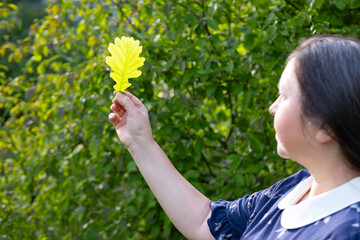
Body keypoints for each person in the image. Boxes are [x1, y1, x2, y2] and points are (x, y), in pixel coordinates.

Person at [108, 35, 360, 240]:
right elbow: (204, 222)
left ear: (324, 125)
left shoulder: (349, 229)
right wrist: (141, 142)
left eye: (283, 96)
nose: (272, 107)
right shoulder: (291, 192)